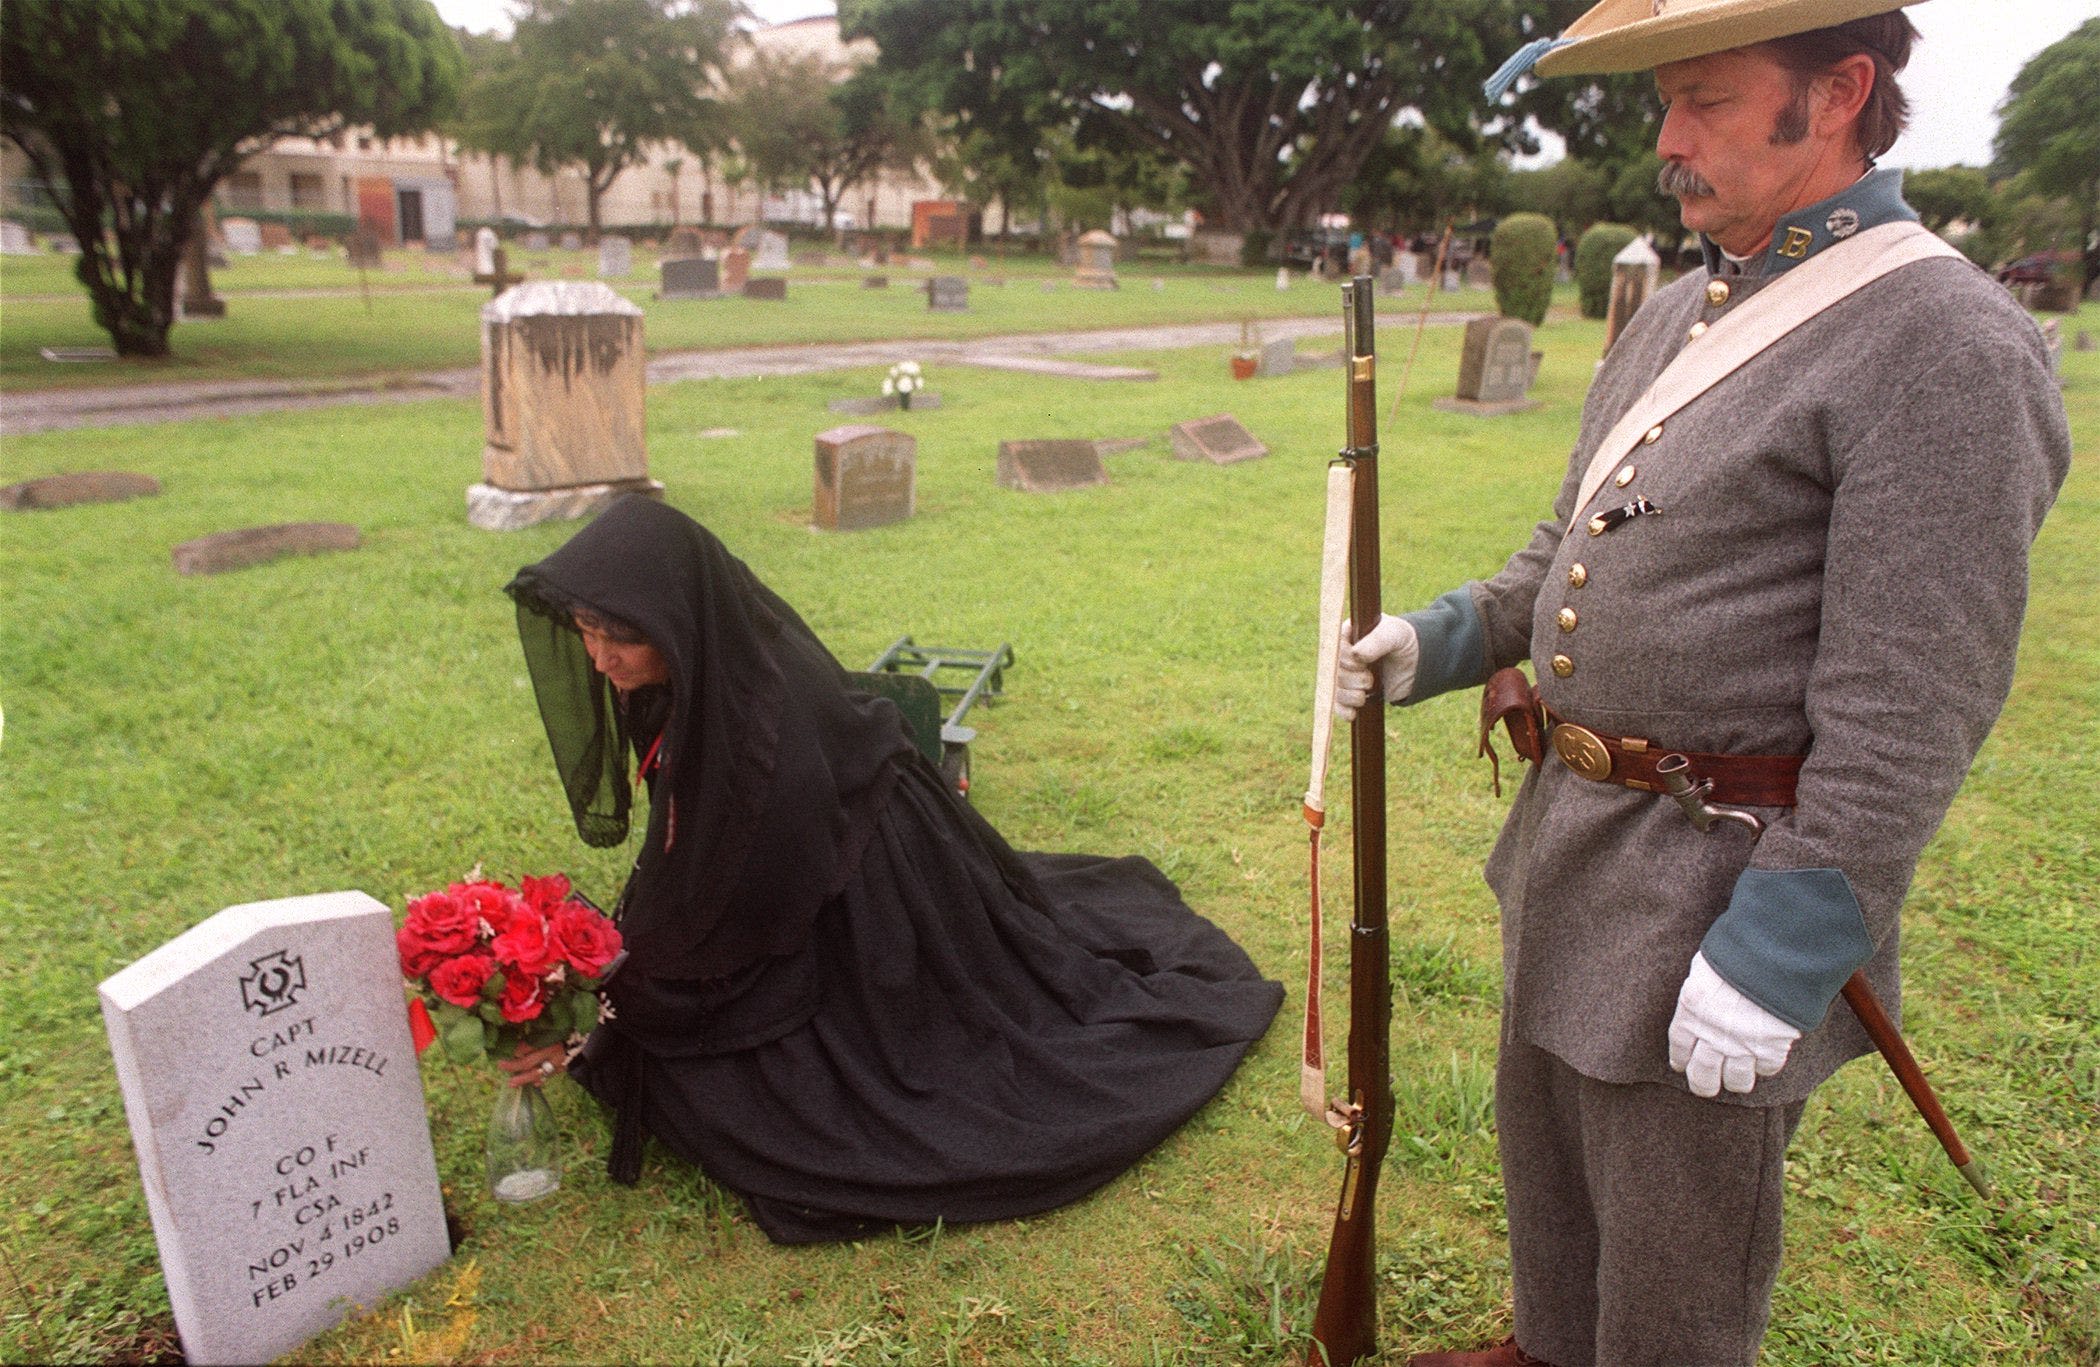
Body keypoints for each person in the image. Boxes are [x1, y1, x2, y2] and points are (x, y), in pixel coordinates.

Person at [1337, 3, 2070, 1364]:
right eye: (1664, 104)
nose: (1668, 142)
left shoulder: (1948, 342)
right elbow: (1566, 547)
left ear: (1840, 91)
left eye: (1710, 102)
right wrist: (1438, 639)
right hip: (1578, 847)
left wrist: (1787, 941)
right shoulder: (1684, 304)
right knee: (1551, 1168)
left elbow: (1915, 704)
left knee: (1676, 1260)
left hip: (1719, 885)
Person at [497, 496, 1282, 1244]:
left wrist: (608, 1022)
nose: (598, 659)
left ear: (674, 619)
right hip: (827, 840)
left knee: (763, 1095)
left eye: (617, 638)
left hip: (858, 887)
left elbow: (734, 923)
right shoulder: (708, 654)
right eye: (584, 631)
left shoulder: (754, 736)